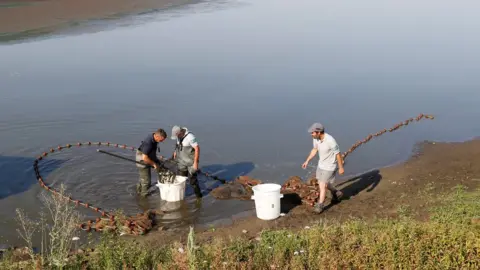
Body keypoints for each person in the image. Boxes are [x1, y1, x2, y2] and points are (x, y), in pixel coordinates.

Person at [302, 123, 345, 213]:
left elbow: (338, 154)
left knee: (323, 185)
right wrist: (307, 161)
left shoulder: (330, 140)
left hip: (330, 165)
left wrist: (340, 167)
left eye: (312, 133)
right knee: (320, 182)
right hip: (321, 164)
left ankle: (320, 205)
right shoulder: (316, 139)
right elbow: (314, 150)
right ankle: (336, 192)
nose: (311, 134)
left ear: (318, 132)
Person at [171, 125, 202, 198]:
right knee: (180, 180)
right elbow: (177, 145)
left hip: (190, 163)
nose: (176, 137)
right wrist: (175, 152)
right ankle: (181, 196)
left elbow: (197, 148)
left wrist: (195, 163)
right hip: (181, 162)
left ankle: (199, 197)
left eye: (176, 135)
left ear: (180, 132)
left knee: (193, 181)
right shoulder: (178, 136)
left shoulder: (190, 137)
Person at [135, 128, 167, 197]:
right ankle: (144, 198)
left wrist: (156, 161)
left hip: (149, 156)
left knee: (143, 178)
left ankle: (138, 191)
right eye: (161, 140)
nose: (161, 141)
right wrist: (154, 164)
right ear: (157, 136)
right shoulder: (148, 143)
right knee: (146, 182)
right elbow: (144, 158)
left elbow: (151, 153)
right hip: (142, 160)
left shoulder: (154, 137)